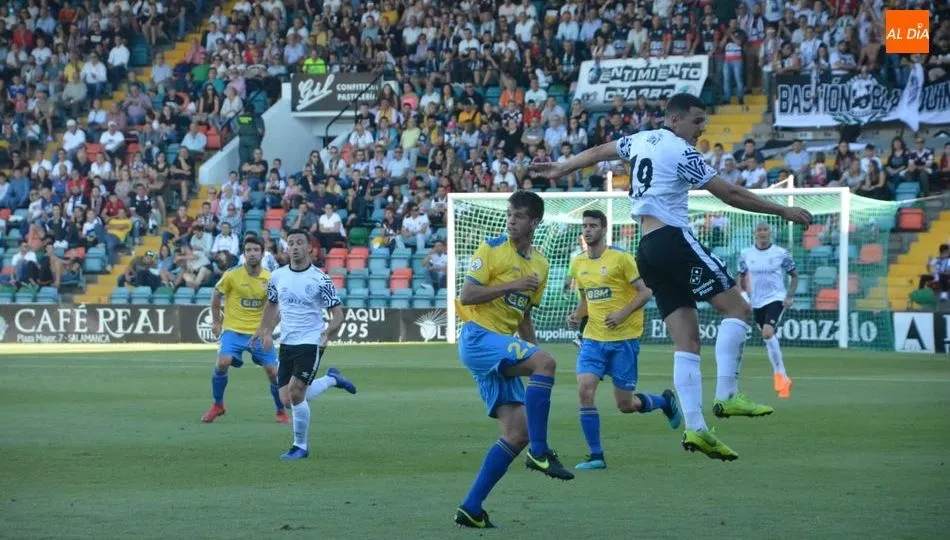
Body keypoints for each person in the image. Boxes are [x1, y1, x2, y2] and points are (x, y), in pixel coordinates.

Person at [529, 93, 812, 461]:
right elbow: (729, 193)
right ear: (674, 120)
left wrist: (561, 168)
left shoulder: (639, 140)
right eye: (696, 121)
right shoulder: (681, 150)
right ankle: (727, 395)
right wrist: (782, 210)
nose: (701, 129)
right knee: (738, 310)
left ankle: (696, 428)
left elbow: (599, 151)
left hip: (647, 250)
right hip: (673, 239)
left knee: (687, 341)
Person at [453, 190, 572, 529]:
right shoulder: (491, 249)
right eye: (509, 215)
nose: (510, 221)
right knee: (546, 363)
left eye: (518, 216)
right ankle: (541, 451)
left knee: (517, 433)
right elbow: (467, 294)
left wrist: (535, 355)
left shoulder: (541, 265)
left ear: (534, 222)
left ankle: (471, 508)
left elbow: (524, 316)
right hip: (478, 338)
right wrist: (513, 284)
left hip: (501, 346)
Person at [567, 209, 681, 470]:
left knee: (625, 404)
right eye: (585, 226)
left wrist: (622, 314)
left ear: (604, 229)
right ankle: (596, 455)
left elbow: (645, 292)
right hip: (593, 338)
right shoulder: (578, 263)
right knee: (584, 389)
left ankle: (664, 402)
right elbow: (586, 300)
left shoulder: (621, 258)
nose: (588, 230)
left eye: (593, 225)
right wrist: (576, 315)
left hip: (624, 339)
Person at [250, 229, 357, 460]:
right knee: (286, 400)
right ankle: (332, 379)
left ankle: (300, 446)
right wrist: (263, 329)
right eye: (291, 243)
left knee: (297, 391)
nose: (295, 247)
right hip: (287, 342)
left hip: (310, 341)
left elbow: (338, 313)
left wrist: (327, 333)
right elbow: (272, 305)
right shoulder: (277, 276)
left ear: (309, 248)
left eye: (299, 243)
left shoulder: (320, 279)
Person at [201, 237, 286, 424]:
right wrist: (216, 322)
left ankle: (280, 412)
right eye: (248, 250)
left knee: (273, 373)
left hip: (259, 332)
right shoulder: (232, 274)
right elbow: (216, 294)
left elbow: (277, 307)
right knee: (222, 362)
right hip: (233, 330)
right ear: (244, 253)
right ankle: (218, 405)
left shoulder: (270, 278)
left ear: (262, 253)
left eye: (256, 249)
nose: (252, 253)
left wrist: (268, 330)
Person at [737, 222, 797, 399]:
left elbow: (794, 275)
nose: (762, 233)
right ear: (754, 233)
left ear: (770, 233)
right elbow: (741, 276)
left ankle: (779, 375)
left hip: (776, 298)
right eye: (759, 230)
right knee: (768, 337)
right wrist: (744, 296)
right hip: (757, 301)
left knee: (767, 332)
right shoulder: (746, 254)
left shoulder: (780, 253)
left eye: (765, 230)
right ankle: (784, 377)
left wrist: (789, 296)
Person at [564, 234, 588, 348]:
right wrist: (565, 288)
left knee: (588, 315)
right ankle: (581, 337)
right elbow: (570, 275)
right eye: (580, 241)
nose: (582, 243)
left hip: (598, 293)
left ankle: (582, 337)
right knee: (586, 314)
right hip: (582, 294)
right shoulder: (577, 258)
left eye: (583, 240)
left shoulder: (602, 256)